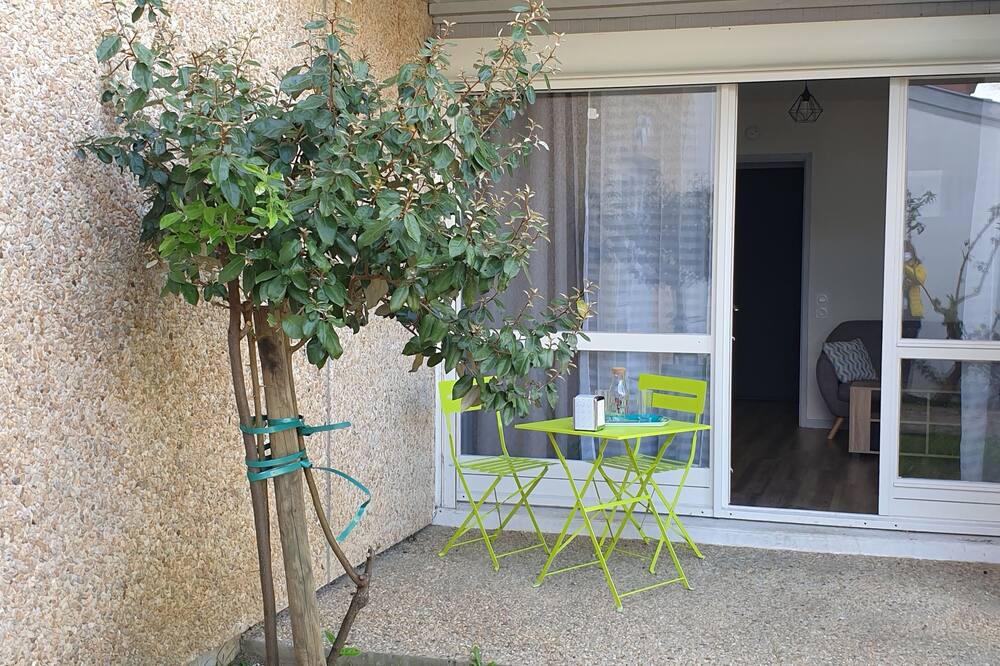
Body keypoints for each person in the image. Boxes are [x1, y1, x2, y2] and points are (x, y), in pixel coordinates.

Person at [902, 241, 927, 389]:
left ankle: (904, 388)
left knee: (907, 357)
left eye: (907, 251)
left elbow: (919, 280)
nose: (905, 254)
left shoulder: (918, 267)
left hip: (912, 317)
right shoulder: (895, 266)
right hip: (898, 316)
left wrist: (904, 266)